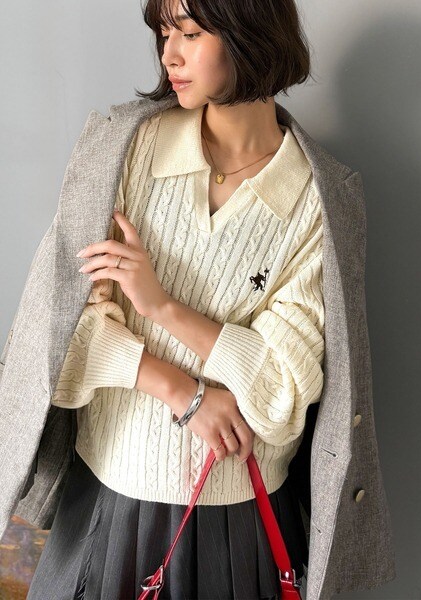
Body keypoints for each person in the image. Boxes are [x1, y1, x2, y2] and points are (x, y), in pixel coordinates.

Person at [26, 0, 324, 598]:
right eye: (164, 33)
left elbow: (282, 394)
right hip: (109, 492)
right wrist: (183, 391)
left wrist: (162, 307)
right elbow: (58, 332)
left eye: (188, 32)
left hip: (238, 520)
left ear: (250, 34)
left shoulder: (315, 200)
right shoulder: (125, 150)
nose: (169, 54)